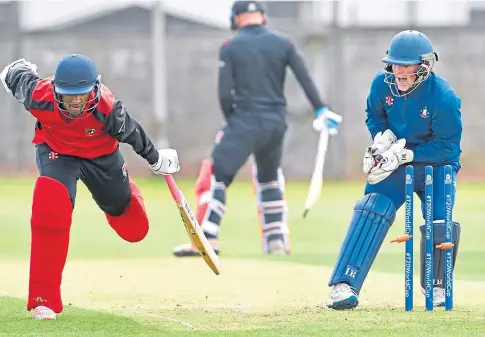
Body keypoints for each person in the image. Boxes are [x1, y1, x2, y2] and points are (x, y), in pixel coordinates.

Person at [0, 54, 180, 320]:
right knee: (51, 204)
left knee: (134, 228)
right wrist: (16, 71)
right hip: (57, 152)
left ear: (94, 90)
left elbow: (134, 135)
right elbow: (15, 76)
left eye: (81, 95)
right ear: (56, 92)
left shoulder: (108, 109)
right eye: (68, 95)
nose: (74, 102)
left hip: (102, 158)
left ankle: (127, 190)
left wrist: (157, 159)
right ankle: (44, 300)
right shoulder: (40, 96)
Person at [172, 0, 342, 257]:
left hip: (244, 121)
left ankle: (206, 237)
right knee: (269, 178)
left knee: (214, 175)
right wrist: (321, 109)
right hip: (276, 124)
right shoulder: (283, 43)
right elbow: (304, 77)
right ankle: (276, 239)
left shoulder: (231, 46)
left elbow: (224, 94)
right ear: (262, 16)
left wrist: (233, 121)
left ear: (237, 18)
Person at [326, 30, 462, 310]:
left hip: (437, 164)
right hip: (395, 162)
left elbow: (447, 146)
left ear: (424, 67)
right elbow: (374, 116)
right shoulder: (381, 85)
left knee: (439, 219)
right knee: (372, 208)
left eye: (405, 65)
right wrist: (383, 140)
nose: (398, 71)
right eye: (394, 63)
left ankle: (436, 286)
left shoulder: (444, 97)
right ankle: (344, 284)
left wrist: (408, 154)